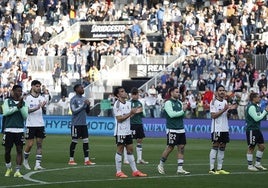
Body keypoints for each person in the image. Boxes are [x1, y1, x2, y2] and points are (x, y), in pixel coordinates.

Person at [113, 86, 147, 178]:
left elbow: (128, 116)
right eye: (122, 91)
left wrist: (134, 112)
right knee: (120, 150)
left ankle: (135, 171)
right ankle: (118, 171)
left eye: (124, 91)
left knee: (130, 150)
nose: (124, 92)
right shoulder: (117, 105)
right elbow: (119, 119)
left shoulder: (128, 103)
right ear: (118, 95)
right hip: (120, 131)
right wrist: (131, 113)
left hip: (128, 131)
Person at [157, 86, 190, 175]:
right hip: (172, 128)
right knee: (170, 147)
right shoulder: (168, 103)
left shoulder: (179, 102)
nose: (178, 93)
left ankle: (180, 168)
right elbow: (171, 114)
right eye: (176, 92)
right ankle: (161, 164)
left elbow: (182, 115)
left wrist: (185, 111)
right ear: (171, 93)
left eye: (178, 92)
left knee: (181, 148)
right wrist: (183, 111)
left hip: (180, 128)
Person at [2, 85, 28, 177]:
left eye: (21, 91)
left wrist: (20, 106)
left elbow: (25, 116)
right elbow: (6, 113)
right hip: (9, 129)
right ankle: (9, 168)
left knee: (19, 150)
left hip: (20, 130)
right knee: (7, 151)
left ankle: (17, 170)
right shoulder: (7, 101)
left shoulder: (23, 103)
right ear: (13, 91)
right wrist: (17, 107)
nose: (19, 93)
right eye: (17, 91)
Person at [209, 85, 235, 175]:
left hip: (225, 127)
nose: (222, 92)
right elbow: (213, 116)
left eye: (223, 90)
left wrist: (230, 111)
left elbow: (226, 116)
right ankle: (212, 169)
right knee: (215, 145)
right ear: (217, 92)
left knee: (223, 146)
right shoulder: (213, 102)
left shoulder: (225, 102)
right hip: (217, 128)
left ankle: (220, 168)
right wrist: (224, 109)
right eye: (220, 90)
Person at [68, 84, 95, 166]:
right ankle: (71, 159)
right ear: (76, 89)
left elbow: (87, 111)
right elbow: (74, 111)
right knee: (74, 141)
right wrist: (84, 105)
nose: (83, 89)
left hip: (83, 124)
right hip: (76, 124)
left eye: (83, 88)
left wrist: (88, 105)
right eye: (81, 88)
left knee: (86, 141)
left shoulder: (84, 99)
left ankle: (86, 160)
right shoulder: (73, 99)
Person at [23, 80, 47, 171]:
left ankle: (38, 164)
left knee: (39, 144)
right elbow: (26, 111)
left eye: (39, 86)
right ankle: (25, 160)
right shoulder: (27, 98)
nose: (39, 88)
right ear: (32, 86)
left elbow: (43, 110)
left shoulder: (42, 98)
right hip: (30, 124)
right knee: (29, 144)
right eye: (37, 86)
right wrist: (37, 107)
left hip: (40, 124)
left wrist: (44, 107)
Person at [124, 87, 148, 164]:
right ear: (131, 95)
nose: (135, 96)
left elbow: (142, 114)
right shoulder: (128, 103)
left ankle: (139, 159)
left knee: (139, 141)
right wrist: (136, 111)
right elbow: (128, 115)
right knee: (128, 142)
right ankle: (126, 159)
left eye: (136, 94)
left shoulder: (140, 103)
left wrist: (140, 112)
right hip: (131, 124)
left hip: (139, 123)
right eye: (134, 94)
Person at [245, 92, 268, 171]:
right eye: (258, 97)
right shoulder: (251, 107)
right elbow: (257, 118)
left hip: (257, 129)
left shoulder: (257, 106)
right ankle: (250, 165)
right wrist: (265, 111)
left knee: (262, 147)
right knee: (251, 147)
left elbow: (260, 116)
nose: (259, 98)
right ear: (253, 98)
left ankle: (257, 164)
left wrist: (264, 112)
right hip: (251, 129)